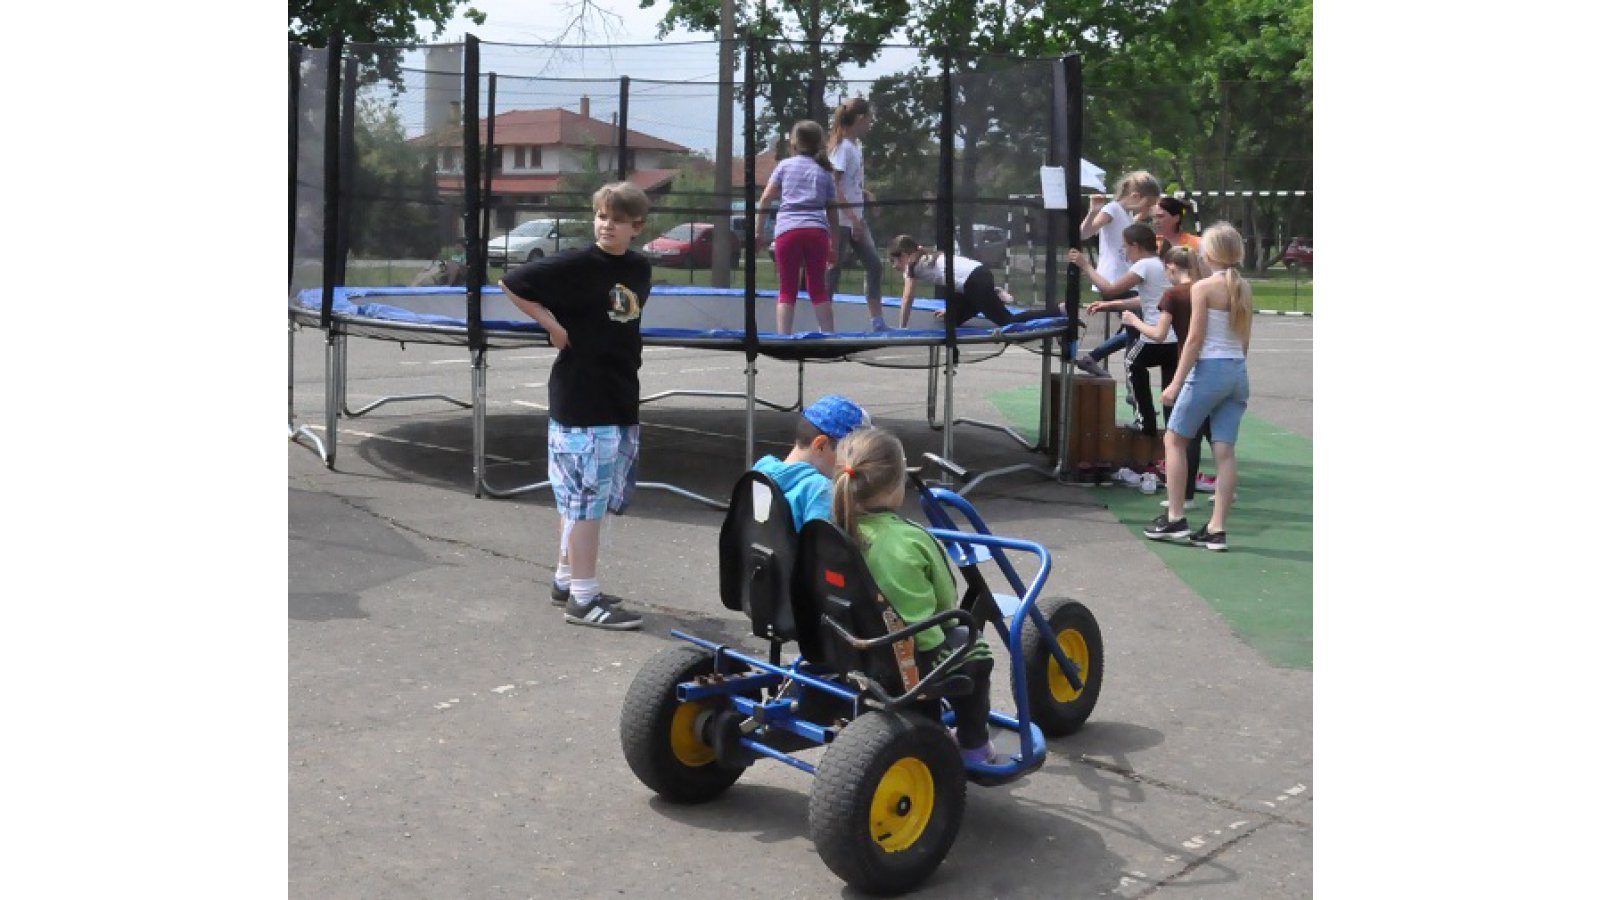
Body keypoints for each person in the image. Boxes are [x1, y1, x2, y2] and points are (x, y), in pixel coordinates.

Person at [499, 182, 653, 630]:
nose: (607, 226)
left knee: (585, 499)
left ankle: (566, 579)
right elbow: (513, 282)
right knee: (584, 501)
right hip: (582, 397)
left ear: (637, 227)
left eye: (618, 220)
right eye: (602, 216)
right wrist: (551, 325)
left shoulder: (639, 268)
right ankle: (584, 599)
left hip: (618, 393)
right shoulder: (577, 264)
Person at [832, 426, 996, 765]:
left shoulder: (833, 529)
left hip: (850, 644)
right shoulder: (909, 540)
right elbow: (944, 604)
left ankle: (929, 723)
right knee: (974, 648)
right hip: (907, 656)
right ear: (896, 485)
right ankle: (974, 746)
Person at [1145, 223, 1253, 551]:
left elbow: (1194, 340)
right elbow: (1244, 339)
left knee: (1174, 439)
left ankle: (1176, 516)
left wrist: (1176, 382)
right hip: (1237, 371)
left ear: (1209, 253)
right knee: (1224, 450)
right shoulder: (1244, 288)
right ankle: (1217, 528)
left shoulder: (1203, 287)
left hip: (1210, 369)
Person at [1119, 246, 1217, 502]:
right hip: (1217, 362)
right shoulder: (1207, 289)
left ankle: (1184, 495)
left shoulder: (1174, 294)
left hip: (1190, 360)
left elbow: (1159, 334)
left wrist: (1133, 321)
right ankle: (1219, 487)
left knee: (1181, 436)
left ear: (1171, 268)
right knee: (1212, 430)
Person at [1068, 224, 1177, 435]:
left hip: (1154, 337)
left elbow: (1109, 289)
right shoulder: (1160, 264)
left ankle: (1145, 422)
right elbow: (1146, 300)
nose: (1125, 253)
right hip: (1173, 340)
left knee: (1132, 363)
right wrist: (1110, 305)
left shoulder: (1143, 265)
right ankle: (1172, 429)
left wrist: (1085, 265)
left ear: (1135, 246)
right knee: (1169, 385)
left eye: (1126, 247)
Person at [754, 120, 840, 335]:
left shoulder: (784, 166)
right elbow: (833, 212)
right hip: (816, 231)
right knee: (818, 289)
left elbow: (765, 199)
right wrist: (834, 244)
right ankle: (829, 335)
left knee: (787, 290)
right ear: (820, 142)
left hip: (788, 231)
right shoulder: (825, 171)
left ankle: (784, 337)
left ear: (794, 142)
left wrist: (759, 232)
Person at [1074, 171, 1162, 377]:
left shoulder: (1127, 214)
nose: (1149, 209)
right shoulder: (1112, 209)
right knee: (1138, 326)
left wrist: (1144, 216)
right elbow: (1084, 233)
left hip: (1127, 279)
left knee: (1139, 326)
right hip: (1112, 279)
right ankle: (1131, 374)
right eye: (1148, 204)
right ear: (1135, 196)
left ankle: (1093, 358)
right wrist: (1093, 212)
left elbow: (1126, 229)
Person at [887, 235, 1055, 330]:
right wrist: (950, 309)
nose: (894, 267)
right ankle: (991, 295)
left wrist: (902, 327)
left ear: (904, 255)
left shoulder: (912, 266)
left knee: (1007, 321)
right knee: (952, 320)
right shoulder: (927, 257)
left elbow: (907, 298)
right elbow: (954, 280)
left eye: (894, 261)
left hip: (976, 281)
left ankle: (1057, 311)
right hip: (975, 277)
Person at [750, 394, 871, 528]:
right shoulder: (821, 491)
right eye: (850, 453)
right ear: (820, 446)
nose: (853, 461)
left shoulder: (762, 468)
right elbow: (822, 540)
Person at [825, 98, 888, 332]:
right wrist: (852, 219)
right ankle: (825, 326)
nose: (871, 124)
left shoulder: (854, 146)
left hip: (855, 218)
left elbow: (849, 184)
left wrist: (865, 194)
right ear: (860, 119)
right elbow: (834, 187)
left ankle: (877, 322)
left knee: (874, 265)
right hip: (841, 220)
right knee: (833, 270)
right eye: (869, 120)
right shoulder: (842, 148)